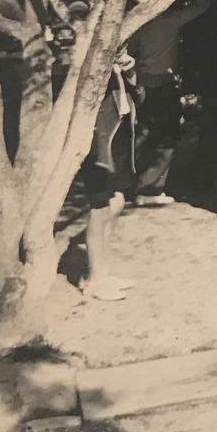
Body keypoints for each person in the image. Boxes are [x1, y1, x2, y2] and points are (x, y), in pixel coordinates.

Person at [127, 0, 212, 204]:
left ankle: (127, 183)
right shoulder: (168, 20)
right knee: (169, 134)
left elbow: (133, 51)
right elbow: (200, 7)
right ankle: (149, 190)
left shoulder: (140, 22)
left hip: (144, 81)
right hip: (165, 83)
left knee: (144, 132)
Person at [79, 51, 143, 302]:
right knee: (100, 207)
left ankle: (104, 272)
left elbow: (138, 95)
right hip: (98, 141)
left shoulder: (116, 59)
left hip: (119, 134)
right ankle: (94, 280)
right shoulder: (86, 58)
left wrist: (129, 71)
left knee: (116, 203)